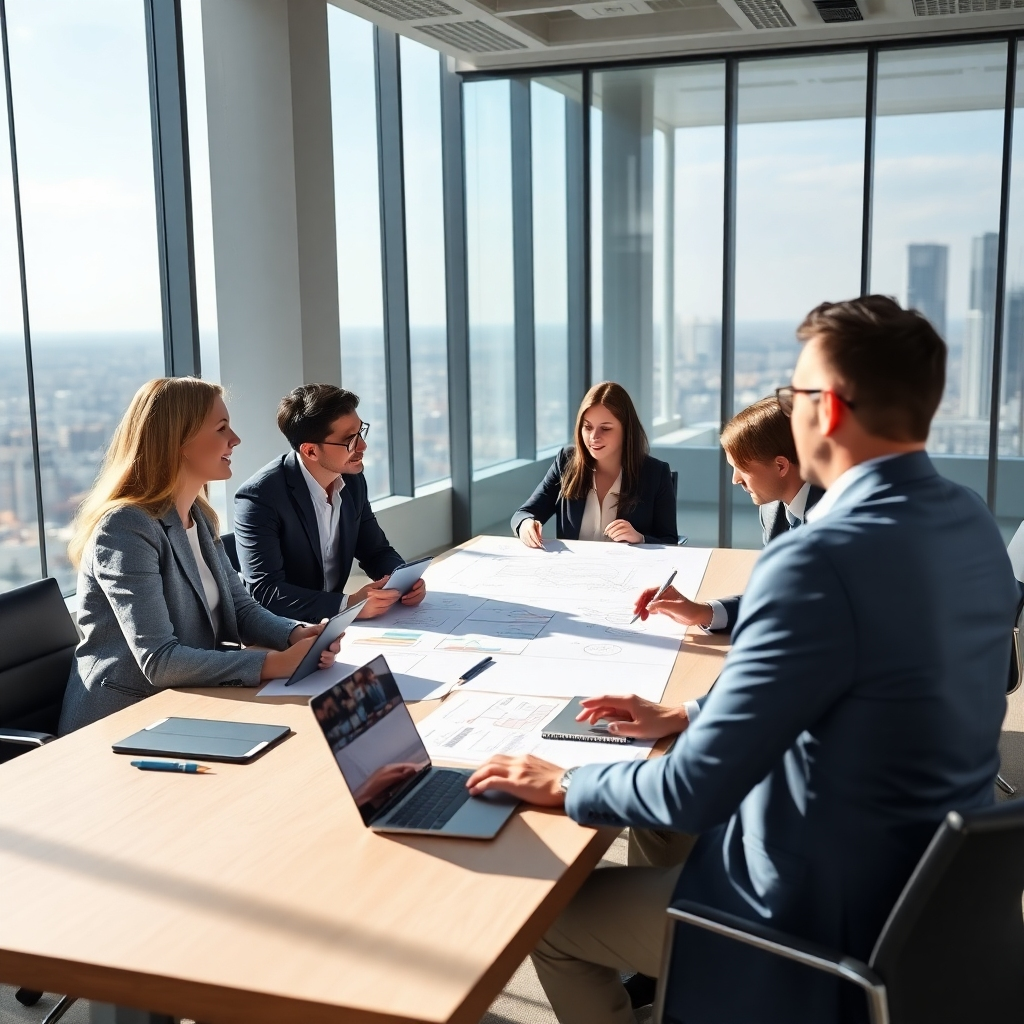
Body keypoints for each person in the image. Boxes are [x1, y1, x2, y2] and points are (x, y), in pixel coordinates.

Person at [466, 295, 1018, 1024]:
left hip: (812, 914)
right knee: (661, 828)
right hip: (932, 889)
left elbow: (694, 790)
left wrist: (566, 782)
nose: (787, 407)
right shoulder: (973, 520)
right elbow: (869, 678)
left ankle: (693, 965)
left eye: (793, 393)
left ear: (829, 411)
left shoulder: (817, 558)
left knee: (556, 921)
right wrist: (688, 711)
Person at [59, 378, 341, 735]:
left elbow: (240, 608)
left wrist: (294, 635)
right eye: (222, 428)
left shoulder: (200, 517)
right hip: (125, 719)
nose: (235, 439)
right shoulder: (126, 528)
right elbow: (158, 660)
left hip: (186, 702)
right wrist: (275, 664)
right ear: (179, 442)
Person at [233, 384, 426, 622]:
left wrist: (403, 580)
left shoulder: (352, 481)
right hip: (284, 630)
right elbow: (266, 593)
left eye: (360, 433)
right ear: (311, 451)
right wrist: (349, 604)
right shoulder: (259, 498)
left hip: (333, 627)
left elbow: (375, 551)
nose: (362, 447)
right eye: (349, 440)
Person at [635, 395, 824, 636]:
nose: (735, 480)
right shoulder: (772, 510)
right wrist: (702, 612)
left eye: (742, 469)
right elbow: (775, 597)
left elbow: (802, 610)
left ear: (781, 466)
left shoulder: (833, 520)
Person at [511, 382, 677, 546]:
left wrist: (641, 539)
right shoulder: (565, 462)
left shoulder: (655, 473)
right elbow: (523, 514)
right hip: (573, 570)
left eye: (605, 429)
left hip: (628, 570)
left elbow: (670, 541)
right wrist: (526, 525)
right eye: (587, 427)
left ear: (626, 430)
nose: (593, 437)